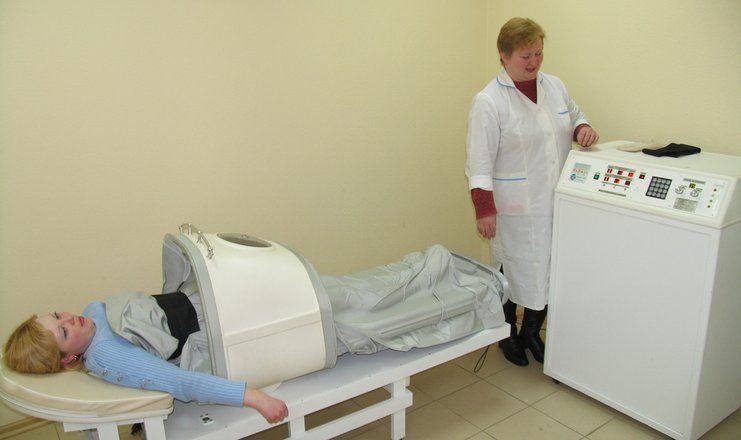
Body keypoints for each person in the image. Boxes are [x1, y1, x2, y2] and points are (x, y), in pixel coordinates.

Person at [465, 17, 599, 366]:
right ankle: (507, 334)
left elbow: (573, 114)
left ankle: (531, 333)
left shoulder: (554, 85)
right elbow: (478, 162)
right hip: (516, 209)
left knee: (549, 271)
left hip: (556, 200)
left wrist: (582, 128)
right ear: (504, 54)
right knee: (512, 272)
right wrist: (484, 209)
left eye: (538, 53)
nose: (534, 62)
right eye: (526, 56)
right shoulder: (489, 101)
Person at [3, 294, 288, 424]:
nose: (68, 318)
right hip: (215, 324)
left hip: (206, 301)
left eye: (56, 315)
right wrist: (252, 397)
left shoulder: (91, 319)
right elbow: (180, 382)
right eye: (63, 331)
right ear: (67, 359)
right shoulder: (107, 354)